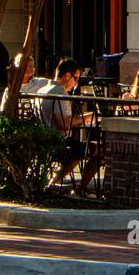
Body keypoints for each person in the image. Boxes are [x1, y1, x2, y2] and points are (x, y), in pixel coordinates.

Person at [35, 59, 100, 191]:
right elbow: (65, 123)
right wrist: (90, 116)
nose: (76, 84)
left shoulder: (42, 90)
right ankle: (78, 188)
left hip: (42, 141)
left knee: (78, 148)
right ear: (67, 76)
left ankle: (53, 183)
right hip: (58, 143)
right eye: (76, 79)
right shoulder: (59, 92)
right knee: (98, 150)